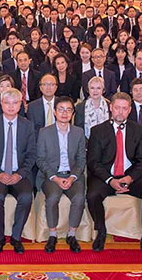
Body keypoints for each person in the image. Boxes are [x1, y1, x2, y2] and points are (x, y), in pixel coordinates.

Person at [86, 92, 142, 259]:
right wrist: (110, 180)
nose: (120, 112)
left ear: (130, 110)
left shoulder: (139, 130)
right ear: (111, 108)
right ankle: (101, 231)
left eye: (124, 108)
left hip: (129, 176)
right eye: (117, 107)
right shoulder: (97, 131)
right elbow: (93, 162)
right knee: (92, 195)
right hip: (106, 177)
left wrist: (130, 178)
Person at [0, 88, 36, 254]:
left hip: (20, 174)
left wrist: (20, 174)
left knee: (26, 197)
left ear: (21, 105)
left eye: (15, 103)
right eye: (7, 103)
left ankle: (16, 237)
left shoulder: (28, 125)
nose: (11, 106)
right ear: (1, 104)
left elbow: (31, 154)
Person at [37, 96, 86, 254]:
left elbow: (81, 159)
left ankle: (71, 235)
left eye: (68, 110)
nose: (65, 113)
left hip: (73, 175)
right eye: (61, 110)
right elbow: (40, 159)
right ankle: (52, 235)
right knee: (52, 198)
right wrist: (55, 178)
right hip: (52, 176)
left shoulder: (78, 132)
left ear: (73, 113)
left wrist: (72, 177)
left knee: (79, 198)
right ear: (55, 112)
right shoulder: (44, 132)